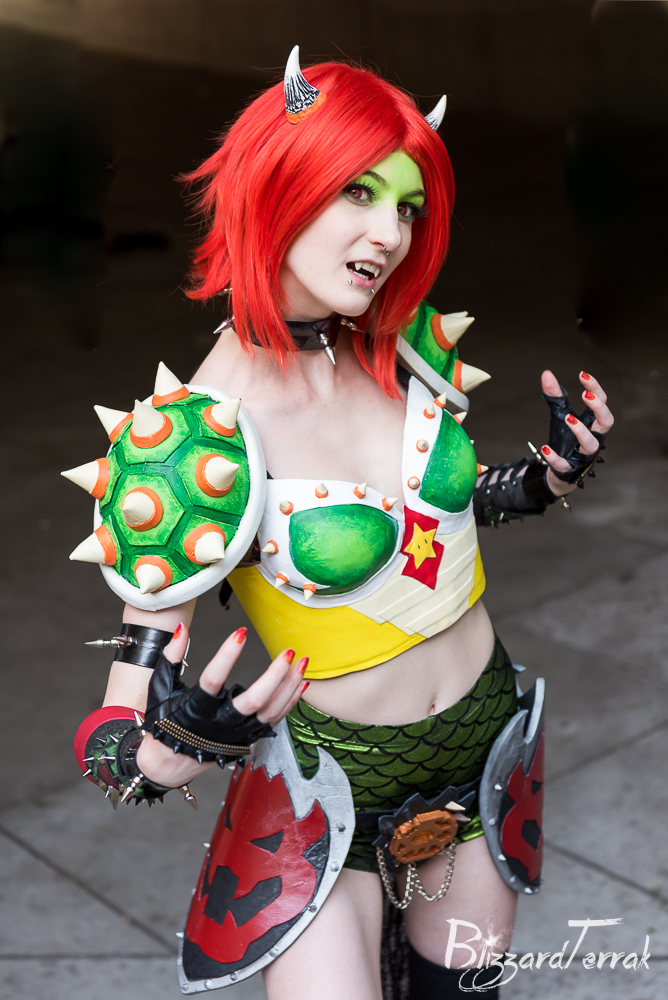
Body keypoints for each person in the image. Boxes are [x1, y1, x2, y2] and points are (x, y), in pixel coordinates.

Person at [69, 50, 614, 1000]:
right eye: (357, 192)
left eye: (406, 205)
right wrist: (184, 738)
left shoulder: (403, 346)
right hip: (327, 787)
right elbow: (115, 744)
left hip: (484, 741)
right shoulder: (191, 446)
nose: (389, 234)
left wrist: (541, 478)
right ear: (278, 184)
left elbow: (430, 516)